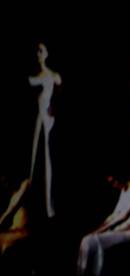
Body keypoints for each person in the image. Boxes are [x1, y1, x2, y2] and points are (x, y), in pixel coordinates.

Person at [74, 178, 130, 276]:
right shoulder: (124, 189)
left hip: (128, 230)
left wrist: (100, 230)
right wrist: (98, 228)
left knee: (93, 241)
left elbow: (122, 215)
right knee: (86, 240)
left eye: (114, 181)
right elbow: (114, 215)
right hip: (117, 228)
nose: (114, 185)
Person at [29, 43, 62, 218]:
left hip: (48, 121)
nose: (38, 54)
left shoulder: (52, 76)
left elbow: (58, 90)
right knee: (35, 159)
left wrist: (53, 108)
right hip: (39, 121)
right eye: (37, 50)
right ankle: (36, 204)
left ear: (47, 53)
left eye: (41, 50)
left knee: (48, 161)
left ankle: (50, 207)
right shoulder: (37, 77)